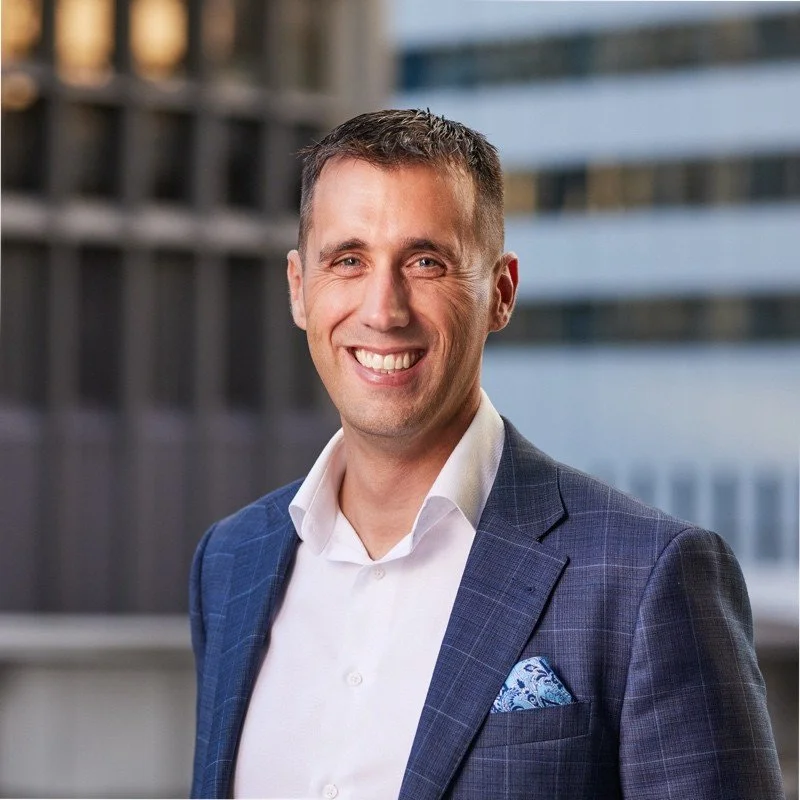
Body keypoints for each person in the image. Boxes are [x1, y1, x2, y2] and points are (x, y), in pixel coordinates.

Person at [189, 109, 782, 800]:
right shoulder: (232, 561)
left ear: (500, 292)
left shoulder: (646, 578)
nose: (384, 309)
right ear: (299, 287)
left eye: (425, 262)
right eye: (348, 260)